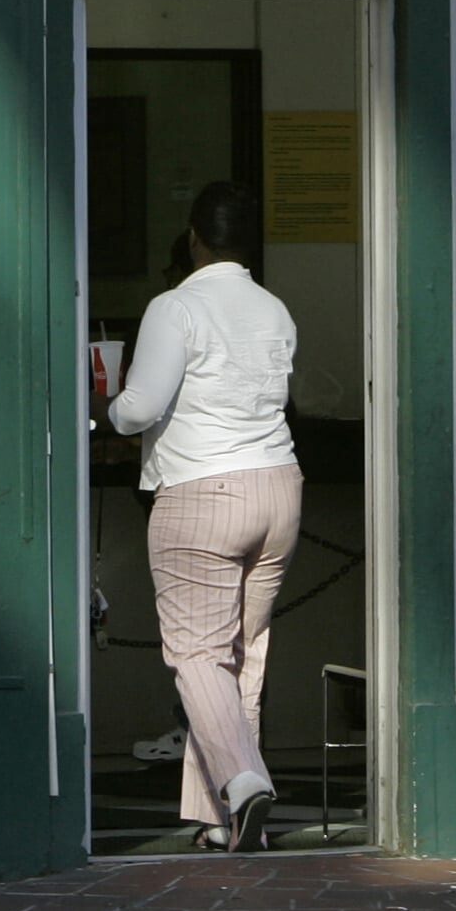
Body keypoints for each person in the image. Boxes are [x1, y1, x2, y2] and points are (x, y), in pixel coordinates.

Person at [103, 181, 300, 852]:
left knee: (197, 654)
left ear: (194, 238)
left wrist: (106, 407)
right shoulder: (274, 308)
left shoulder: (175, 306)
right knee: (241, 655)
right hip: (279, 486)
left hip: (201, 490)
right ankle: (222, 820)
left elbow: (139, 408)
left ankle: (243, 782)